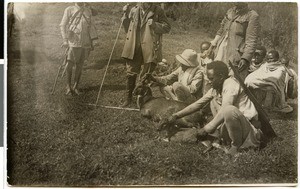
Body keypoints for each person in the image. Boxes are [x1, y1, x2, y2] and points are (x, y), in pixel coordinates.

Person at [165, 61, 263, 156]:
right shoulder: (216, 89)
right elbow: (197, 104)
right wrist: (176, 115)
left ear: (220, 77)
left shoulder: (230, 84)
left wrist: (207, 128)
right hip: (233, 128)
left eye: (211, 79)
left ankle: (236, 146)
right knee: (212, 100)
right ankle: (222, 140)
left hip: (247, 130)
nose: (209, 82)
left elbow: (226, 109)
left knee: (229, 110)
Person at [121, 2, 171, 107]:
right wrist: (125, 14)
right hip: (134, 46)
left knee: (146, 74)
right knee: (131, 72)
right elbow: (126, 28)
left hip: (150, 46)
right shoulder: (134, 10)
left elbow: (167, 27)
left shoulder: (158, 10)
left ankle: (142, 99)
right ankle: (128, 98)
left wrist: (155, 25)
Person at [210, 2, 260, 80]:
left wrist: (245, 58)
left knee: (232, 81)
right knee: (216, 78)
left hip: (235, 56)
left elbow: (251, 40)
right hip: (221, 51)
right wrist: (213, 44)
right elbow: (221, 30)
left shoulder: (252, 16)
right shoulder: (230, 11)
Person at [60, 3, 97, 95]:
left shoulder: (88, 10)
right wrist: (65, 40)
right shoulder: (69, 9)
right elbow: (62, 25)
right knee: (69, 64)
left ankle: (76, 86)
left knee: (80, 65)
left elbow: (92, 26)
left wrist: (94, 40)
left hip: (85, 42)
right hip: (73, 42)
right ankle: (68, 86)